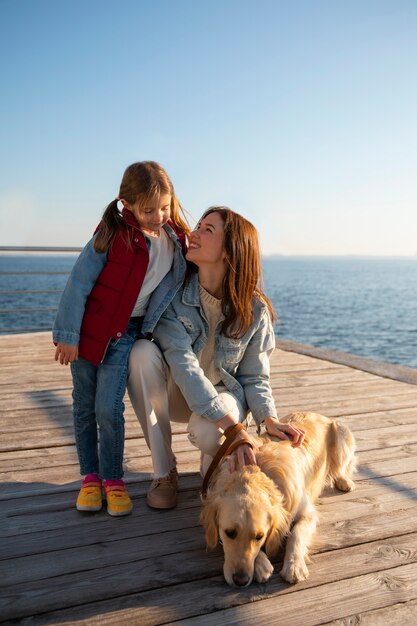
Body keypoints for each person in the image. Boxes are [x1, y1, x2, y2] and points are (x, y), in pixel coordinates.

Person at [127, 206, 304, 510]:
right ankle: (164, 470)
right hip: (177, 392)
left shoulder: (255, 310)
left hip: (223, 394)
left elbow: (254, 376)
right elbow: (182, 363)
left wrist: (268, 418)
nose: (193, 234)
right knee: (141, 353)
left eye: (207, 230)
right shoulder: (172, 296)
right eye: (197, 226)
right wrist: (235, 430)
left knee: (208, 432)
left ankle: (213, 460)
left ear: (230, 250)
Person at [53, 161, 189, 516]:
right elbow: (78, 284)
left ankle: (113, 480)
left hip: (127, 334)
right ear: (126, 204)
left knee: (108, 409)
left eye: (165, 206)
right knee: (84, 407)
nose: (159, 215)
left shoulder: (175, 239)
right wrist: (67, 336)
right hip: (86, 333)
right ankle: (91, 479)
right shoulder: (112, 234)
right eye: (149, 209)